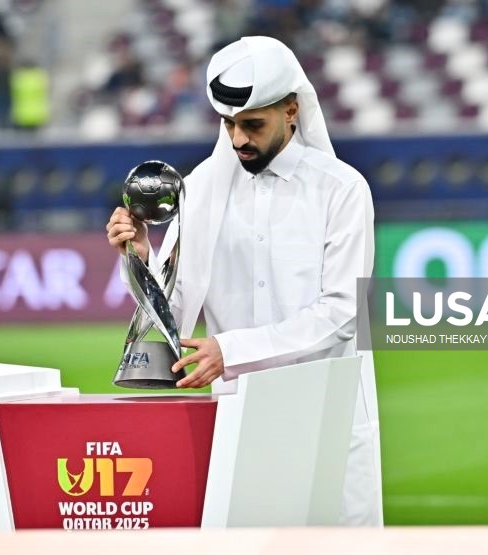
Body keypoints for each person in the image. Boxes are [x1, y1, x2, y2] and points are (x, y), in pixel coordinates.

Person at [106, 36, 382, 526]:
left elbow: (342, 314)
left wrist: (229, 351)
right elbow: (174, 304)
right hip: (238, 418)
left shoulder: (342, 190)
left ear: (292, 110)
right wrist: (141, 256)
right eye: (229, 124)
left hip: (324, 417)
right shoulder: (203, 187)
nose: (238, 140)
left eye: (252, 125)